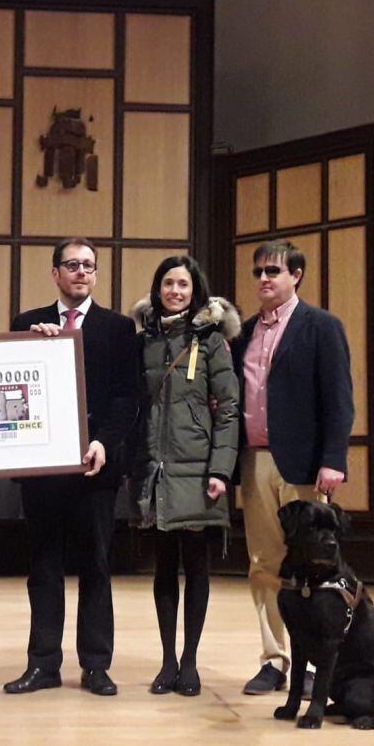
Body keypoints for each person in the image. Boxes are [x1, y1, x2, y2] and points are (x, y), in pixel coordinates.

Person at [3, 237, 139, 697]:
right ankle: (43, 664)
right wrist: (30, 345)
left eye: (89, 266)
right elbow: (13, 389)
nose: (81, 272)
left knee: (97, 566)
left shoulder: (120, 329)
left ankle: (96, 665)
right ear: (55, 273)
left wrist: (103, 441)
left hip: (95, 466)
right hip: (42, 469)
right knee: (43, 567)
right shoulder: (27, 323)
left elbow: (127, 397)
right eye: (72, 265)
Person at [232, 240, 354, 696]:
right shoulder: (243, 333)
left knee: (312, 566)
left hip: (304, 464)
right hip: (255, 460)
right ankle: (275, 659)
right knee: (264, 564)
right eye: (259, 272)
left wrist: (334, 460)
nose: (265, 279)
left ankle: (315, 663)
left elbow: (339, 399)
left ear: (296, 275)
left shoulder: (321, 327)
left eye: (274, 271)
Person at [130, 255, 240, 696]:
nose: (175, 291)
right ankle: (167, 661)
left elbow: (229, 408)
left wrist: (220, 470)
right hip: (156, 468)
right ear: (157, 288)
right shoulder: (145, 340)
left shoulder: (212, 341)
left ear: (196, 291)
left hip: (197, 471)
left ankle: (190, 661)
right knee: (163, 568)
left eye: (184, 284)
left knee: (196, 566)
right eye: (168, 283)